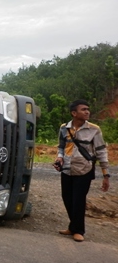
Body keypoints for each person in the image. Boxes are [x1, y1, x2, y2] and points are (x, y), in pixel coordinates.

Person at [53, 99, 110, 242]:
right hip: (66, 169)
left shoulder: (94, 129)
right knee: (67, 198)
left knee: (78, 200)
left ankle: (78, 231)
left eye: (88, 109)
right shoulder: (64, 128)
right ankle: (73, 227)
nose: (87, 112)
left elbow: (101, 152)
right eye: (83, 109)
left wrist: (106, 174)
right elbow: (61, 147)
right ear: (74, 113)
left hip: (84, 169)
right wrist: (60, 158)